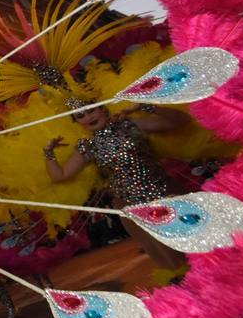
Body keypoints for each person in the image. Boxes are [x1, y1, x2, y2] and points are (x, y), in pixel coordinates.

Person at [44, 103, 189, 268]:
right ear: (77, 122)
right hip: (133, 208)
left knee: (193, 237)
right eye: (80, 116)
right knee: (168, 255)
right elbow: (60, 175)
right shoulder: (88, 146)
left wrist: (147, 107)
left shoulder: (130, 125)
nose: (88, 117)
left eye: (91, 110)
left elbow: (181, 121)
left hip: (165, 191)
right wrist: (49, 153)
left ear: (103, 109)